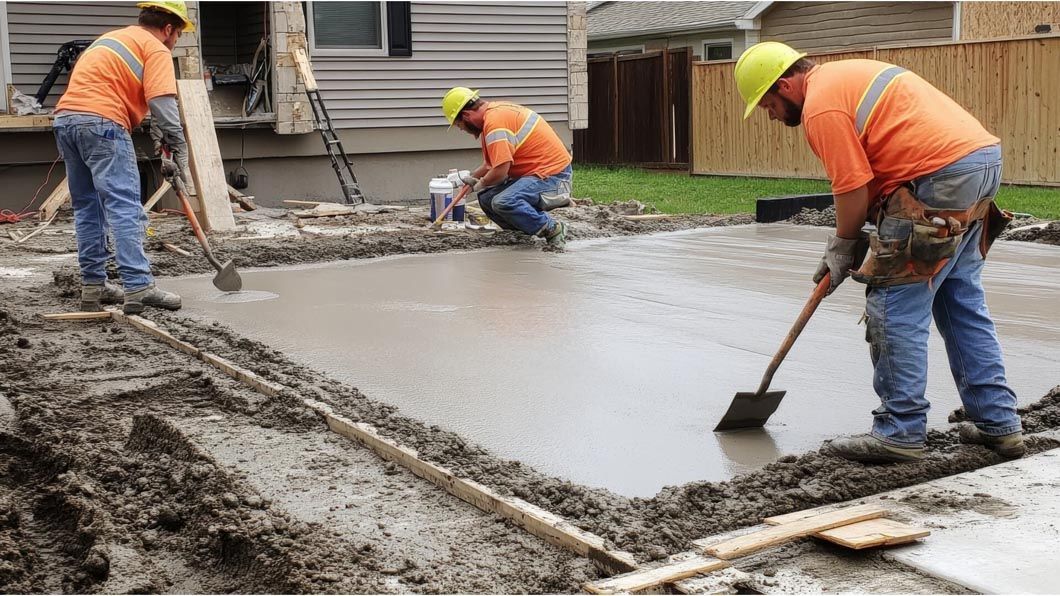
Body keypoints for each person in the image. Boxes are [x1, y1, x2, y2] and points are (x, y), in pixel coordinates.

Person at [733, 42, 1024, 463]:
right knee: (959, 300)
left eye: (768, 105)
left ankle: (899, 432)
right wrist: (855, 240)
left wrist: (842, 245)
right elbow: (872, 182)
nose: (771, 116)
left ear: (784, 85)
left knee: (894, 305)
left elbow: (850, 187)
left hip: (939, 176)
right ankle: (998, 422)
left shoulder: (820, 107)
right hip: (980, 164)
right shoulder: (846, 76)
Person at [53, 0, 194, 314]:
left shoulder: (111, 39)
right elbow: (162, 102)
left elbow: (127, 91)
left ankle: (94, 285)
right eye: (178, 34)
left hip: (66, 121)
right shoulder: (156, 48)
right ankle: (139, 286)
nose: (175, 41)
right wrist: (178, 144)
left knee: (88, 207)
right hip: (103, 123)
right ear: (168, 29)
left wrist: (158, 132)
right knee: (124, 205)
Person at [441, 87, 573, 249]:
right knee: (486, 198)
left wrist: (479, 184)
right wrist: (472, 178)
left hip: (555, 178)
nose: (462, 129)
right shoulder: (493, 115)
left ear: (467, 115)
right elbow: (490, 165)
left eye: (459, 125)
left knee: (504, 201)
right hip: (537, 175)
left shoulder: (495, 124)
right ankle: (521, 234)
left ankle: (552, 228)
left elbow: (500, 172)